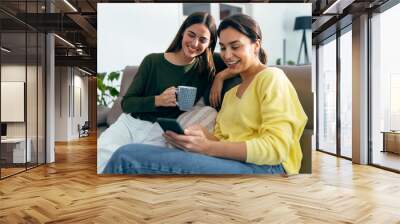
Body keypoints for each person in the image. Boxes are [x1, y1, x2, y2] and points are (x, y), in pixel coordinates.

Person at [103, 14, 307, 175]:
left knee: (127, 156)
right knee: (130, 153)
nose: (227, 55)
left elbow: (275, 149)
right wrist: (198, 137)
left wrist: (207, 147)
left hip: (267, 168)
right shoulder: (231, 94)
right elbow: (221, 138)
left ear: (256, 44)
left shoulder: (272, 78)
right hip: (233, 160)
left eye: (235, 46)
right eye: (224, 48)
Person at [98, 12, 227, 173]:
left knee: (138, 171)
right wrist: (158, 100)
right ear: (182, 32)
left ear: (210, 43)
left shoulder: (208, 66)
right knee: (102, 162)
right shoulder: (153, 61)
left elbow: (242, 61)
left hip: (160, 133)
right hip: (129, 125)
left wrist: (221, 77)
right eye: (191, 35)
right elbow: (127, 104)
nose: (194, 43)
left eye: (202, 40)